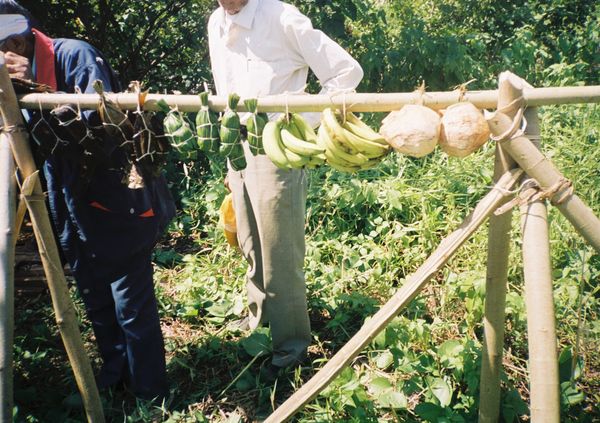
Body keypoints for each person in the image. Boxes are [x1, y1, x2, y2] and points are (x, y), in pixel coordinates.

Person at [0, 1, 175, 401]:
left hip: (116, 198)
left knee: (130, 303)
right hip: (67, 204)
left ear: (20, 36)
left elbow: (102, 130)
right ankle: (115, 379)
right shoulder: (8, 77)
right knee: (95, 297)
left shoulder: (73, 54)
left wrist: (41, 93)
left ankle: (151, 395)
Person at [208, 0, 363, 374]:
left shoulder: (280, 17)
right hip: (237, 142)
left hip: (276, 146)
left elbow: (346, 73)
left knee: (280, 250)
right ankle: (258, 321)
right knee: (249, 240)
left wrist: (299, 125)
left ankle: (291, 347)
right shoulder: (216, 22)